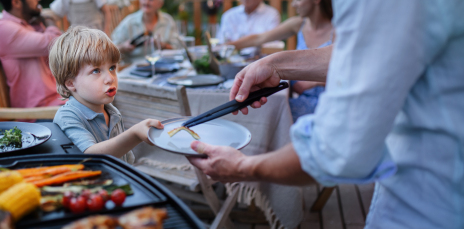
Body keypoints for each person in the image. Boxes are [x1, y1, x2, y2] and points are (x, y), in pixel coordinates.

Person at [188, 1, 464, 228]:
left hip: (429, 206)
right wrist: (275, 64)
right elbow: (358, 53)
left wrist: (242, 167)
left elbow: (340, 148)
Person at [49, 26, 164, 163]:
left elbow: (126, 159)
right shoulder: (68, 116)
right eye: (96, 71)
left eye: (112, 68)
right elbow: (92, 155)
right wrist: (134, 134)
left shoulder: (111, 111)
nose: (110, 78)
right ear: (71, 83)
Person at [228, 0, 334, 122]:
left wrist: (314, 82)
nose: (293, 4)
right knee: (266, 112)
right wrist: (227, 45)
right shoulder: (299, 23)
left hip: (328, 103)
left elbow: (350, 69)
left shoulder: (339, 30)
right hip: (300, 99)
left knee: (271, 117)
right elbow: (260, 38)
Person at [0, 0, 66, 115]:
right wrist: (49, 21)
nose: (38, 0)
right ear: (16, 2)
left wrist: (39, 23)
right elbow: (58, 45)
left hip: (57, 103)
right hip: (37, 112)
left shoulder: (27, 26)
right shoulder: (3, 28)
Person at [110, 0, 179, 60]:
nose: (146, 2)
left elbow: (177, 49)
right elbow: (111, 49)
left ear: (160, 4)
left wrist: (162, 45)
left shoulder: (168, 21)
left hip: (164, 66)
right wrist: (124, 47)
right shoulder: (129, 22)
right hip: (134, 67)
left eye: (151, 0)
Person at [216, 0, 283, 53]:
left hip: (261, 64)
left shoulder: (272, 15)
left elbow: (273, 45)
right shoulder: (228, 16)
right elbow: (222, 44)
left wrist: (233, 44)